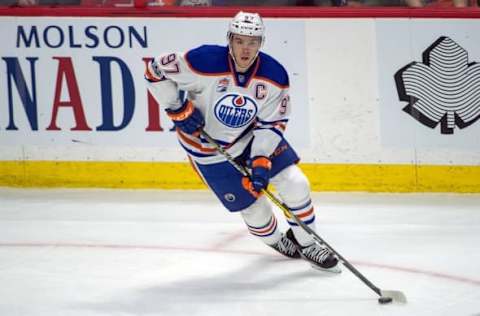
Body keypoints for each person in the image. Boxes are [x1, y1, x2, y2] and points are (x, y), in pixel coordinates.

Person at [144, 11, 340, 273]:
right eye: (239, 41)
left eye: (252, 42)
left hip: (249, 138)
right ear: (229, 39)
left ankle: (309, 243)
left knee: (295, 183)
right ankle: (276, 240)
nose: (245, 48)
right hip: (208, 149)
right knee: (256, 211)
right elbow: (154, 70)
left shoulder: (274, 75)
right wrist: (176, 108)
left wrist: (260, 159)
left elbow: (272, 123)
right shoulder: (202, 61)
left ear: (261, 43)